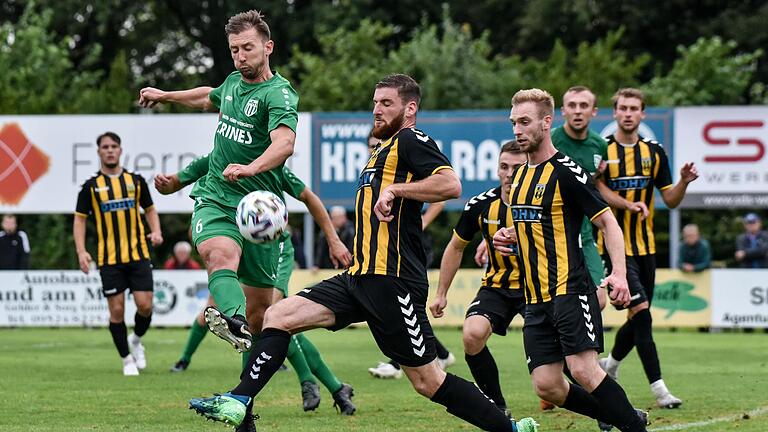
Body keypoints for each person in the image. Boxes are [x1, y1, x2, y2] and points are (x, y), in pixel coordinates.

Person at [188, 74, 538, 432]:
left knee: (428, 381)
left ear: (410, 108)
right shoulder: (380, 151)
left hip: (393, 282)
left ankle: (508, 429)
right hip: (359, 277)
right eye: (375, 103)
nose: (377, 110)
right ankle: (240, 401)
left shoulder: (411, 140)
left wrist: (396, 191)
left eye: (386, 103)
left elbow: (451, 183)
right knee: (278, 315)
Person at [139, 10, 298, 363]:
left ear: (268, 47)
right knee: (219, 254)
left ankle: (245, 401)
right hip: (217, 198)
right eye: (234, 50)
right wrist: (166, 96)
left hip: (258, 210)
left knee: (261, 316)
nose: (241, 56)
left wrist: (250, 168)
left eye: (248, 48)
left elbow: (284, 143)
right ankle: (232, 318)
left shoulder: (279, 94)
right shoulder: (232, 84)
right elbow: (207, 96)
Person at [494, 88, 648, 432]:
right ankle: (623, 414)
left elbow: (608, 221)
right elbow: (526, 227)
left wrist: (618, 275)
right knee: (547, 385)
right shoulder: (519, 176)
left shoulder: (566, 171)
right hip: (535, 299)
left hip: (569, 289)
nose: (517, 129)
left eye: (524, 122)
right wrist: (506, 236)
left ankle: (633, 427)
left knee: (582, 369)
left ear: (547, 123)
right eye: (513, 122)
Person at [156, 155, 356, 417]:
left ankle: (312, 381)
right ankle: (329, 387)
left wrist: (333, 240)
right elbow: (182, 178)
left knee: (274, 318)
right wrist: (170, 184)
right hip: (239, 243)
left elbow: (309, 197)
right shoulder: (219, 157)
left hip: (277, 248)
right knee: (254, 322)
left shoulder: (271, 167)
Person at [595, 88, 698, 411]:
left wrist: (683, 182)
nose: (628, 113)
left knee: (638, 317)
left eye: (634, 108)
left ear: (643, 114)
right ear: (614, 113)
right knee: (642, 315)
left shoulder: (654, 153)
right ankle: (660, 389)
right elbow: (595, 189)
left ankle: (610, 365)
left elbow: (669, 199)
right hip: (614, 250)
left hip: (646, 248)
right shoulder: (603, 150)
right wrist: (625, 203)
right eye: (622, 108)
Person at [429, 140, 528, 418]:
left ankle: (605, 406)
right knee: (472, 335)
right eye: (504, 167)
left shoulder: (544, 204)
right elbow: (455, 247)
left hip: (536, 288)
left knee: (557, 364)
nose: (509, 174)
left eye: (517, 168)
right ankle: (498, 406)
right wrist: (441, 293)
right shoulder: (481, 205)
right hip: (496, 286)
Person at [364, 130, 456, 380]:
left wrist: (425, 221)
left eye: (377, 144)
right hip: (384, 253)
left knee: (401, 303)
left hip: (409, 247)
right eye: (371, 145)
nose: (374, 148)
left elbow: (443, 194)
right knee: (404, 308)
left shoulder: (404, 160)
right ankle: (442, 354)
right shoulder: (374, 169)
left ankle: (398, 364)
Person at [73, 132, 163, 376]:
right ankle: (126, 360)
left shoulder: (135, 181)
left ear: (120, 150)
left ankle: (136, 340)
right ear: (99, 152)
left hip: (138, 254)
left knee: (145, 306)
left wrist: (156, 231)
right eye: (105, 147)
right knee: (116, 311)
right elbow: (79, 221)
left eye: (114, 146)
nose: (110, 150)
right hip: (109, 259)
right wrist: (82, 251)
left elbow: (151, 209)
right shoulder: (91, 187)